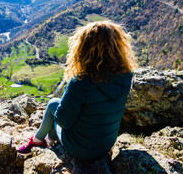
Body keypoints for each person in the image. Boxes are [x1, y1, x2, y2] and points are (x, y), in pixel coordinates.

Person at [17, 21, 137, 160]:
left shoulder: (80, 83)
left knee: (52, 105)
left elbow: (63, 122)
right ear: (117, 48)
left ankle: (38, 142)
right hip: (105, 144)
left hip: (81, 149)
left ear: (83, 49)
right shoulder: (125, 77)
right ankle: (47, 140)